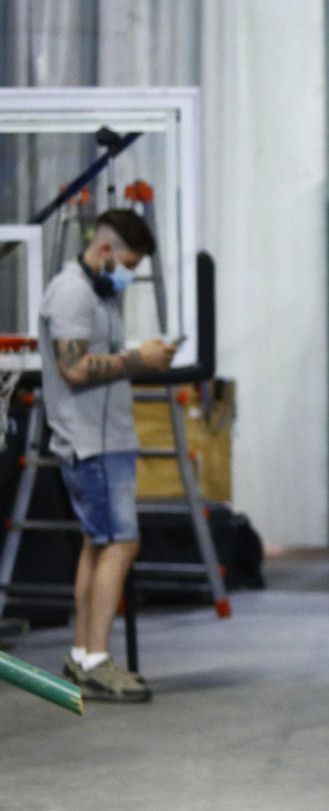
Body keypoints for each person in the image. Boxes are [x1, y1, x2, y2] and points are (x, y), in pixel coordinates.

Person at [40, 209, 176, 702]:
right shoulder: (72, 292)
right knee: (120, 544)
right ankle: (97, 660)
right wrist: (140, 359)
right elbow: (73, 367)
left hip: (106, 437)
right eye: (127, 263)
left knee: (99, 544)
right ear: (104, 250)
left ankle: (82, 655)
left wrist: (142, 356)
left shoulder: (100, 293)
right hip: (89, 442)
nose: (128, 274)